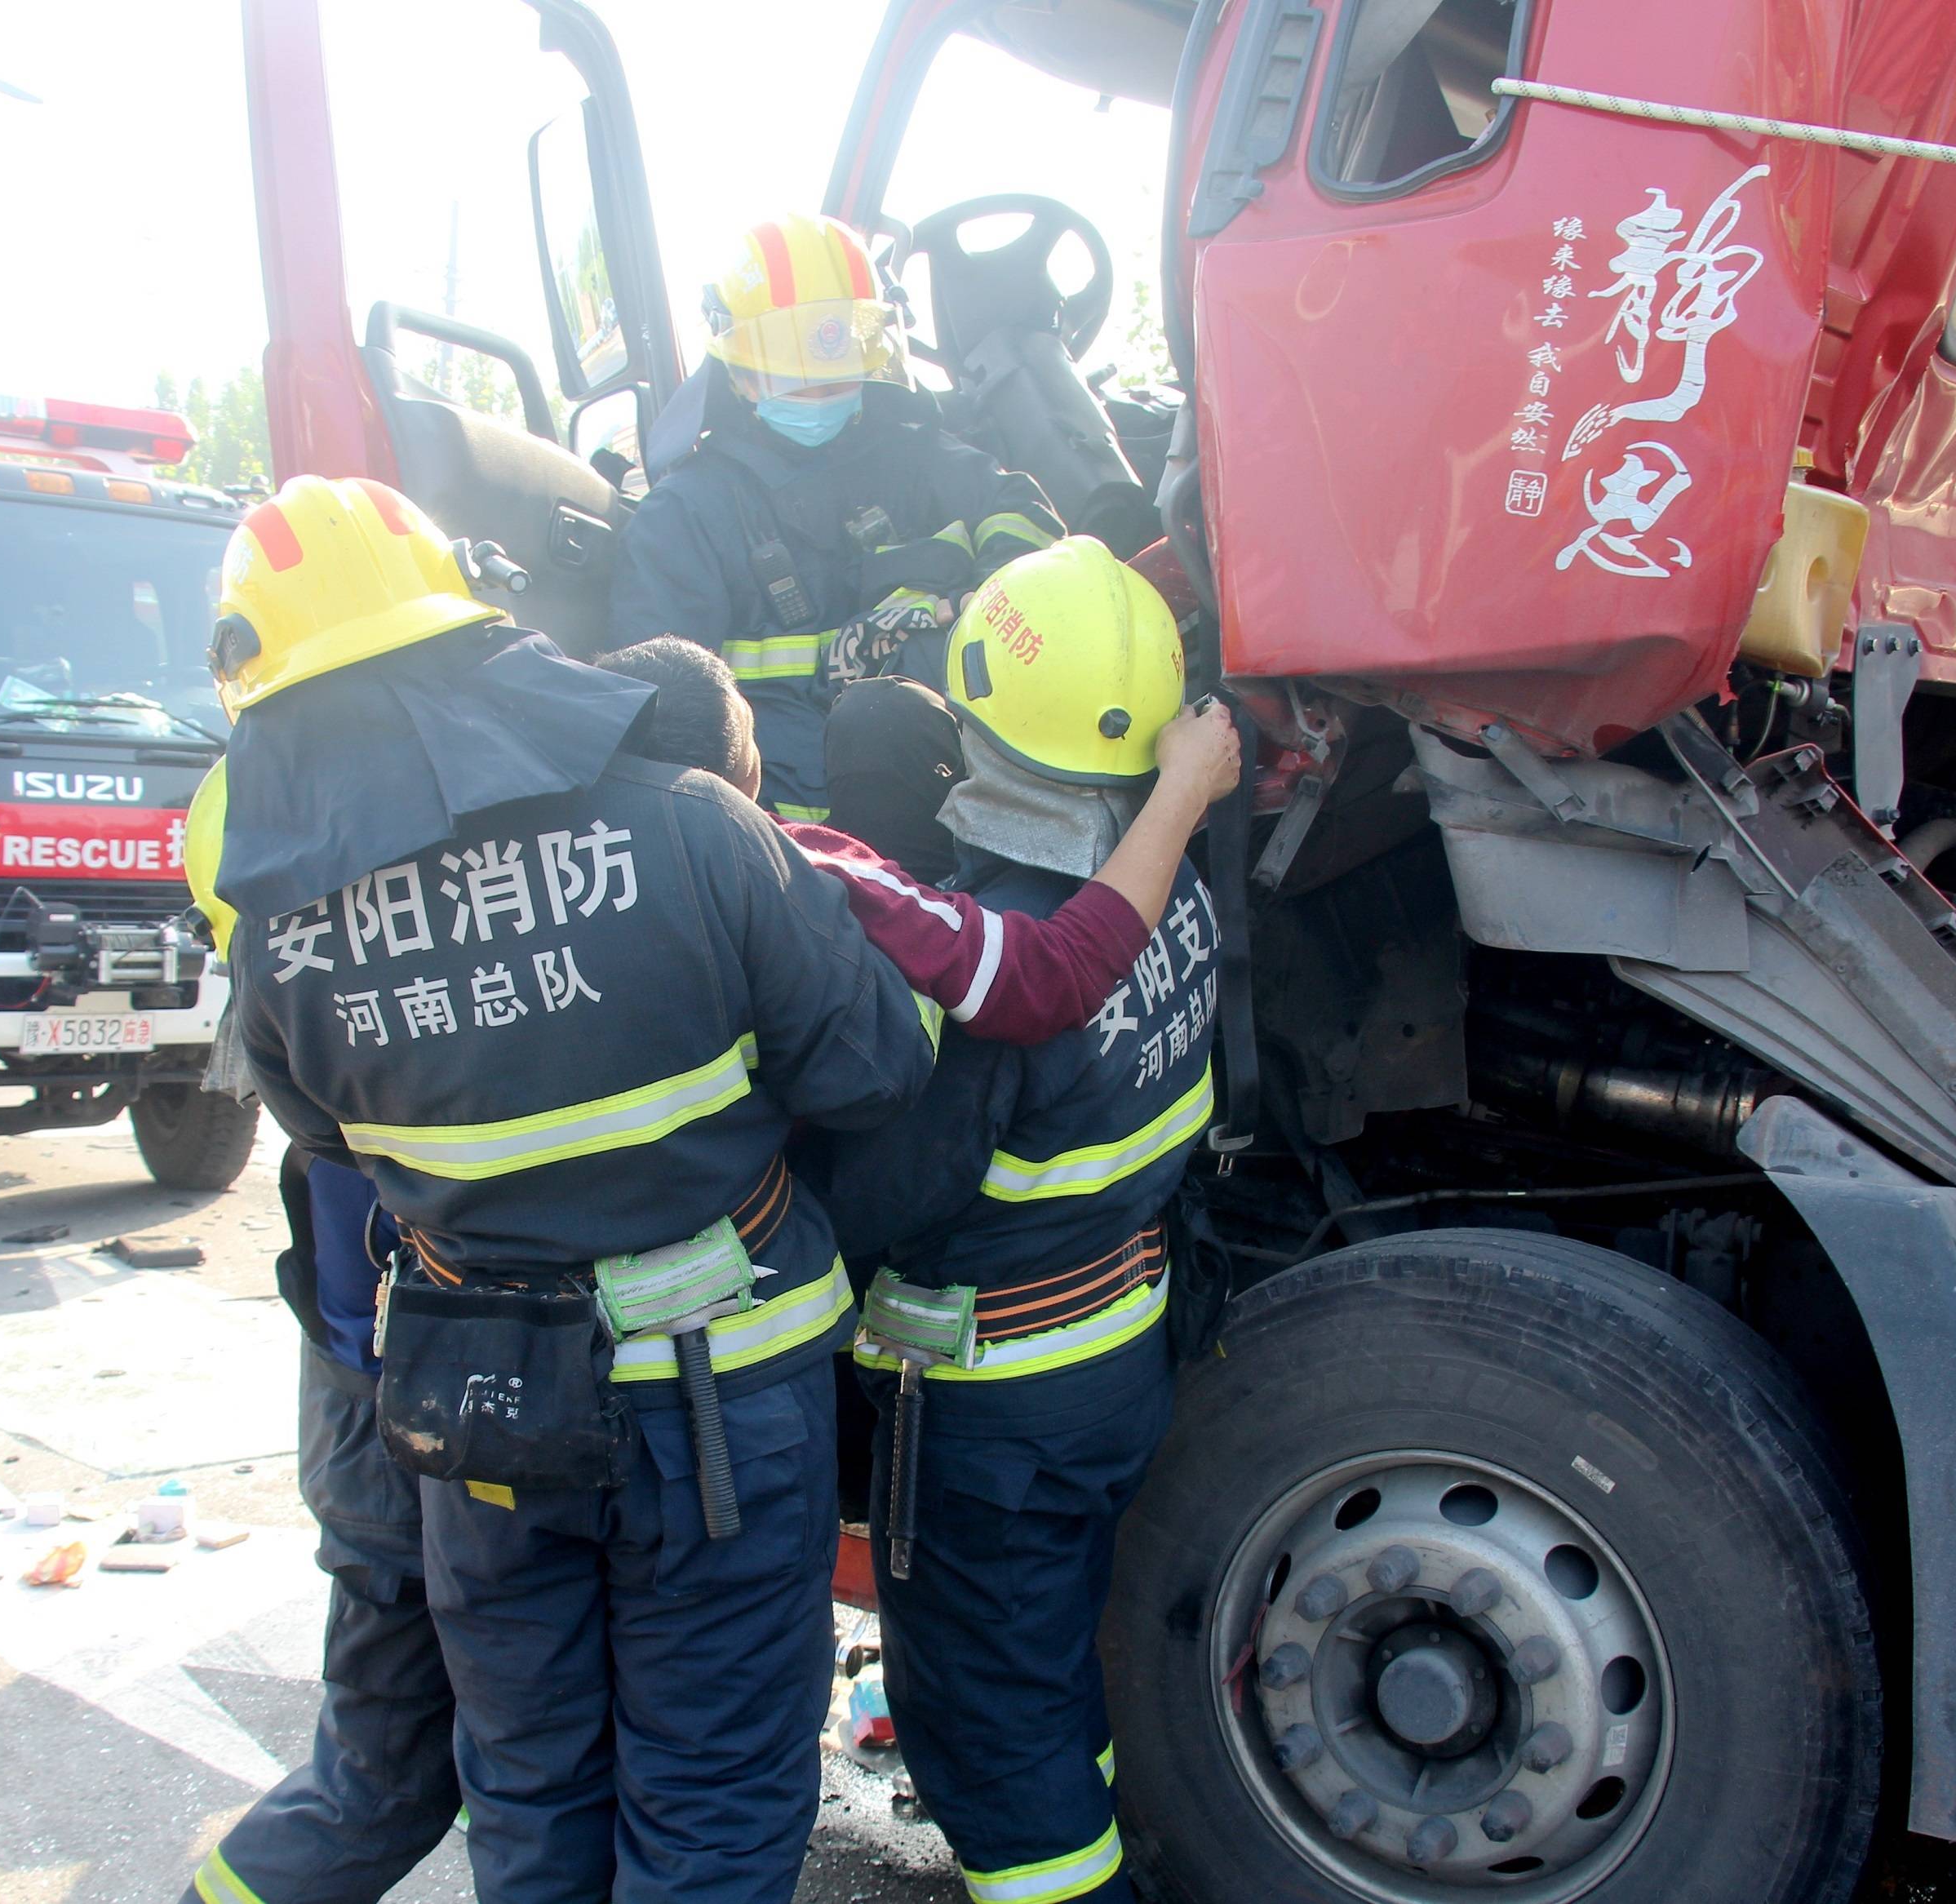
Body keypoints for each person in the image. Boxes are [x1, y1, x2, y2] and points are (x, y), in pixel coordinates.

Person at [209, 474, 937, 1904]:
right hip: (713, 1406)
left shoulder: (279, 942)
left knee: (532, 1795)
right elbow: (876, 1065)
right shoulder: (695, 826)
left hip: (480, 1418)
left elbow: (335, 1155)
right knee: (713, 1804)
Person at [822, 536, 1225, 1904]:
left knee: (994, 1743)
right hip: (1117, 1356)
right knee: (1053, 1685)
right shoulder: (1171, 886)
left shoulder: (993, 960)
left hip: (991, 1405)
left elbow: (895, 1195)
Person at [178, 779, 465, 1904]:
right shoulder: (381, 1076)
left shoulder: (326, 1053)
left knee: (387, 1777)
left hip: (372, 1458)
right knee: (378, 1788)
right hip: (400, 1476)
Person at [610, 212, 1063, 823]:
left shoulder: (912, 452)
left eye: (837, 372)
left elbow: (1027, 521)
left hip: (960, 788)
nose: (823, 395)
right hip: (801, 835)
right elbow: (669, 727)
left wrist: (962, 603)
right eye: (798, 379)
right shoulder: (684, 515)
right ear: (741, 373)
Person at [590, 637, 1239, 1046]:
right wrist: (1184, 787)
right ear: (740, 770)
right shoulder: (792, 864)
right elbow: (1045, 975)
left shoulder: (522, 871)